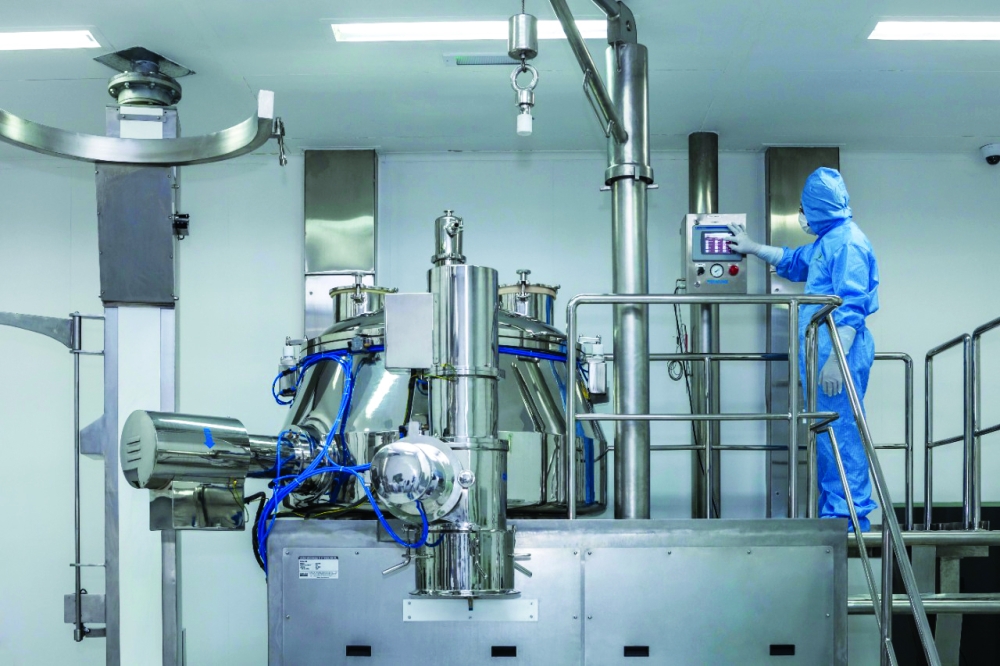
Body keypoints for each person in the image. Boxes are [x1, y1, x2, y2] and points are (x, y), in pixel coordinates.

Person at [728, 167, 880, 530]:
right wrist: (752, 247)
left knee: (840, 431)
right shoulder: (829, 242)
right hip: (821, 351)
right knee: (826, 434)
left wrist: (836, 358)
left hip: (837, 351)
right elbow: (795, 262)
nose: (802, 215)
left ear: (818, 207)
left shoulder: (849, 243)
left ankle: (849, 516)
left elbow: (852, 303)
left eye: (804, 207)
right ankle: (835, 511)